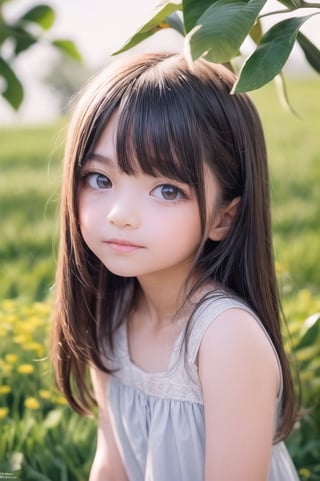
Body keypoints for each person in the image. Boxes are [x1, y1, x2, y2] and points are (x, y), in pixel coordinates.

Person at [51, 51, 300, 481]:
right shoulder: (110, 311)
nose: (120, 214)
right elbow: (112, 465)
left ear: (225, 216)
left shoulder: (225, 338)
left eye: (166, 190)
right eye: (101, 179)